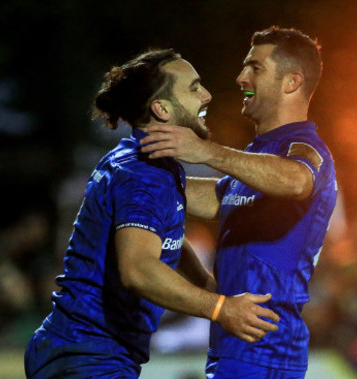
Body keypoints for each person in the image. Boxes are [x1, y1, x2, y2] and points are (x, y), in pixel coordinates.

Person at [24, 48, 280, 379]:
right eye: (193, 87)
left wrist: (206, 283)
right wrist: (221, 309)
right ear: (161, 108)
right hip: (87, 355)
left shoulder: (145, 159)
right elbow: (138, 269)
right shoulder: (145, 175)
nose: (206, 95)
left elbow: (160, 236)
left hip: (83, 351)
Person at [140, 26, 338, 378]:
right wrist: (135, 181)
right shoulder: (258, 156)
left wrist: (205, 150)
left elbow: (296, 180)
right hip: (233, 347)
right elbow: (218, 196)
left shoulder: (305, 149)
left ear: (291, 82)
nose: (240, 76)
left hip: (266, 353)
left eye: (255, 68)